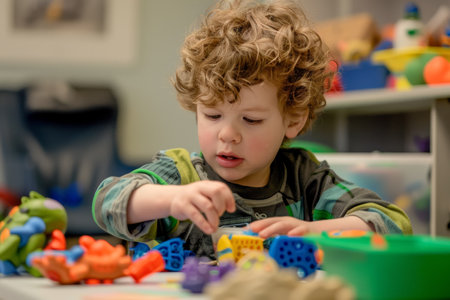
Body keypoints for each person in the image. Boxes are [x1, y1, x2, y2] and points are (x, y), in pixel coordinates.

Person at [92, 0, 412, 259]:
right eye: (213, 115)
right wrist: (172, 199)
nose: (227, 134)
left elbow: (394, 224)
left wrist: (312, 230)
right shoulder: (182, 176)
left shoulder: (305, 180)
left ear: (293, 120)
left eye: (251, 120)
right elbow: (107, 201)